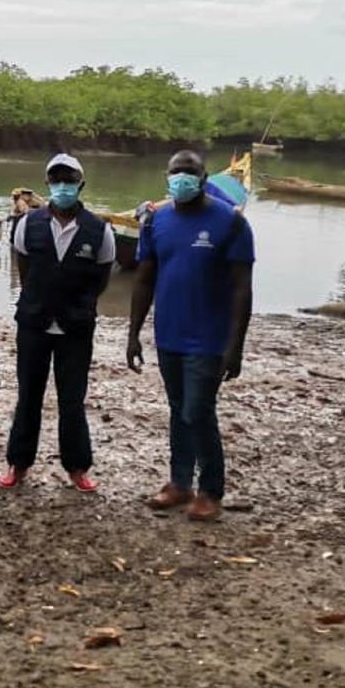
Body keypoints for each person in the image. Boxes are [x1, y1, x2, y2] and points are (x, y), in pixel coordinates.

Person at [126, 150, 255, 522]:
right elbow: (145, 277)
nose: (181, 179)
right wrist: (133, 333)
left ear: (203, 178)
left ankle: (211, 491)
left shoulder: (230, 223)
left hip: (210, 339)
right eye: (175, 173)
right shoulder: (156, 221)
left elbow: (241, 289)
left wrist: (236, 346)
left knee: (198, 410)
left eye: (189, 173)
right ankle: (180, 483)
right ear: (166, 177)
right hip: (169, 335)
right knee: (178, 410)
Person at [1, 154, 115, 492]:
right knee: (28, 396)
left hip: (76, 328)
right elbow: (24, 270)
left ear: (81, 184)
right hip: (34, 324)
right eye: (56, 180)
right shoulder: (28, 224)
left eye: (69, 180)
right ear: (48, 184)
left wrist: (77, 304)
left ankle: (77, 467)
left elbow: (102, 278)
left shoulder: (99, 229)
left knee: (72, 399)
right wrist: (40, 298)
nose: (63, 186)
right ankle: (18, 463)